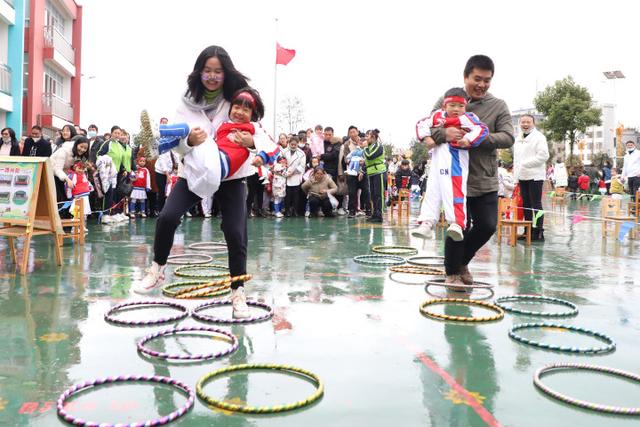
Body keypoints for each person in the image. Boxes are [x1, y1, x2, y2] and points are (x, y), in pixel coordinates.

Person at [133, 45, 273, 319]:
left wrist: (251, 142)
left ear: (226, 74)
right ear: (199, 73)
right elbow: (181, 148)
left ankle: (238, 292)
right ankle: (156, 270)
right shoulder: (185, 101)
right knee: (167, 217)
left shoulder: (236, 100)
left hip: (230, 175)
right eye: (207, 71)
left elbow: (261, 133)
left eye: (218, 71)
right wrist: (188, 143)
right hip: (195, 170)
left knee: (235, 232)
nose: (212, 76)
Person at [417, 55, 514, 287]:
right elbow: (428, 128)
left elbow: (508, 136)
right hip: (452, 175)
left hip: (483, 176)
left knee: (487, 225)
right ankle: (451, 273)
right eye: (477, 79)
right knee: (457, 224)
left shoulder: (498, 105)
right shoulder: (448, 99)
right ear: (465, 77)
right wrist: (445, 135)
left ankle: (461, 263)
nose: (481, 85)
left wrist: (475, 138)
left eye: (487, 80)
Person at [412, 87, 489, 240]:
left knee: (454, 190)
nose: (456, 109)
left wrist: (468, 140)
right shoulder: (437, 116)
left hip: (456, 159)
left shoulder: (468, 118)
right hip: (437, 158)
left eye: (460, 106)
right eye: (452, 105)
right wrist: (427, 138)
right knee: (432, 189)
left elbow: (482, 129)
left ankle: (457, 223)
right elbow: (421, 124)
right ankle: (426, 222)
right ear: (444, 106)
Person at [513, 114, 549, 241]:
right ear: (519, 124)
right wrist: (515, 177)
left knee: (536, 204)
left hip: (535, 176)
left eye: (528, 122)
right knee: (526, 204)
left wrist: (525, 164)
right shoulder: (518, 138)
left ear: (533, 123)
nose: (525, 124)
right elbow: (516, 159)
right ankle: (527, 231)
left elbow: (544, 156)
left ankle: (539, 231)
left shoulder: (539, 137)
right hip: (522, 176)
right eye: (523, 122)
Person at [50, 136, 90, 202]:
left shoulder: (81, 156)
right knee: (59, 198)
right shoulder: (63, 151)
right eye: (81, 146)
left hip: (67, 178)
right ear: (76, 144)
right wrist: (67, 180)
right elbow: (57, 169)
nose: (82, 150)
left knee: (69, 198)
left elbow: (81, 170)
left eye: (85, 148)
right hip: (54, 175)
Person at [363, 129, 387, 223]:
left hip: (379, 172)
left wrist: (364, 148)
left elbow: (370, 156)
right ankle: (374, 214)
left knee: (379, 194)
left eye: (367, 136)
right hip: (371, 172)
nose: (366, 138)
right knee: (373, 195)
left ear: (373, 137)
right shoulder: (370, 146)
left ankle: (379, 215)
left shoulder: (378, 146)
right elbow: (367, 161)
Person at [283, 136, 306, 217]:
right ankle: (287, 211)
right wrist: (285, 171)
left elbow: (302, 166)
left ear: (297, 144)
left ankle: (295, 211)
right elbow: (280, 162)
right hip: (285, 175)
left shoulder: (302, 153)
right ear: (289, 143)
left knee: (296, 195)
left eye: (295, 145)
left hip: (296, 176)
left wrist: (293, 172)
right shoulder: (284, 151)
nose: (293, 146)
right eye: (291, 144)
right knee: (287, 194)